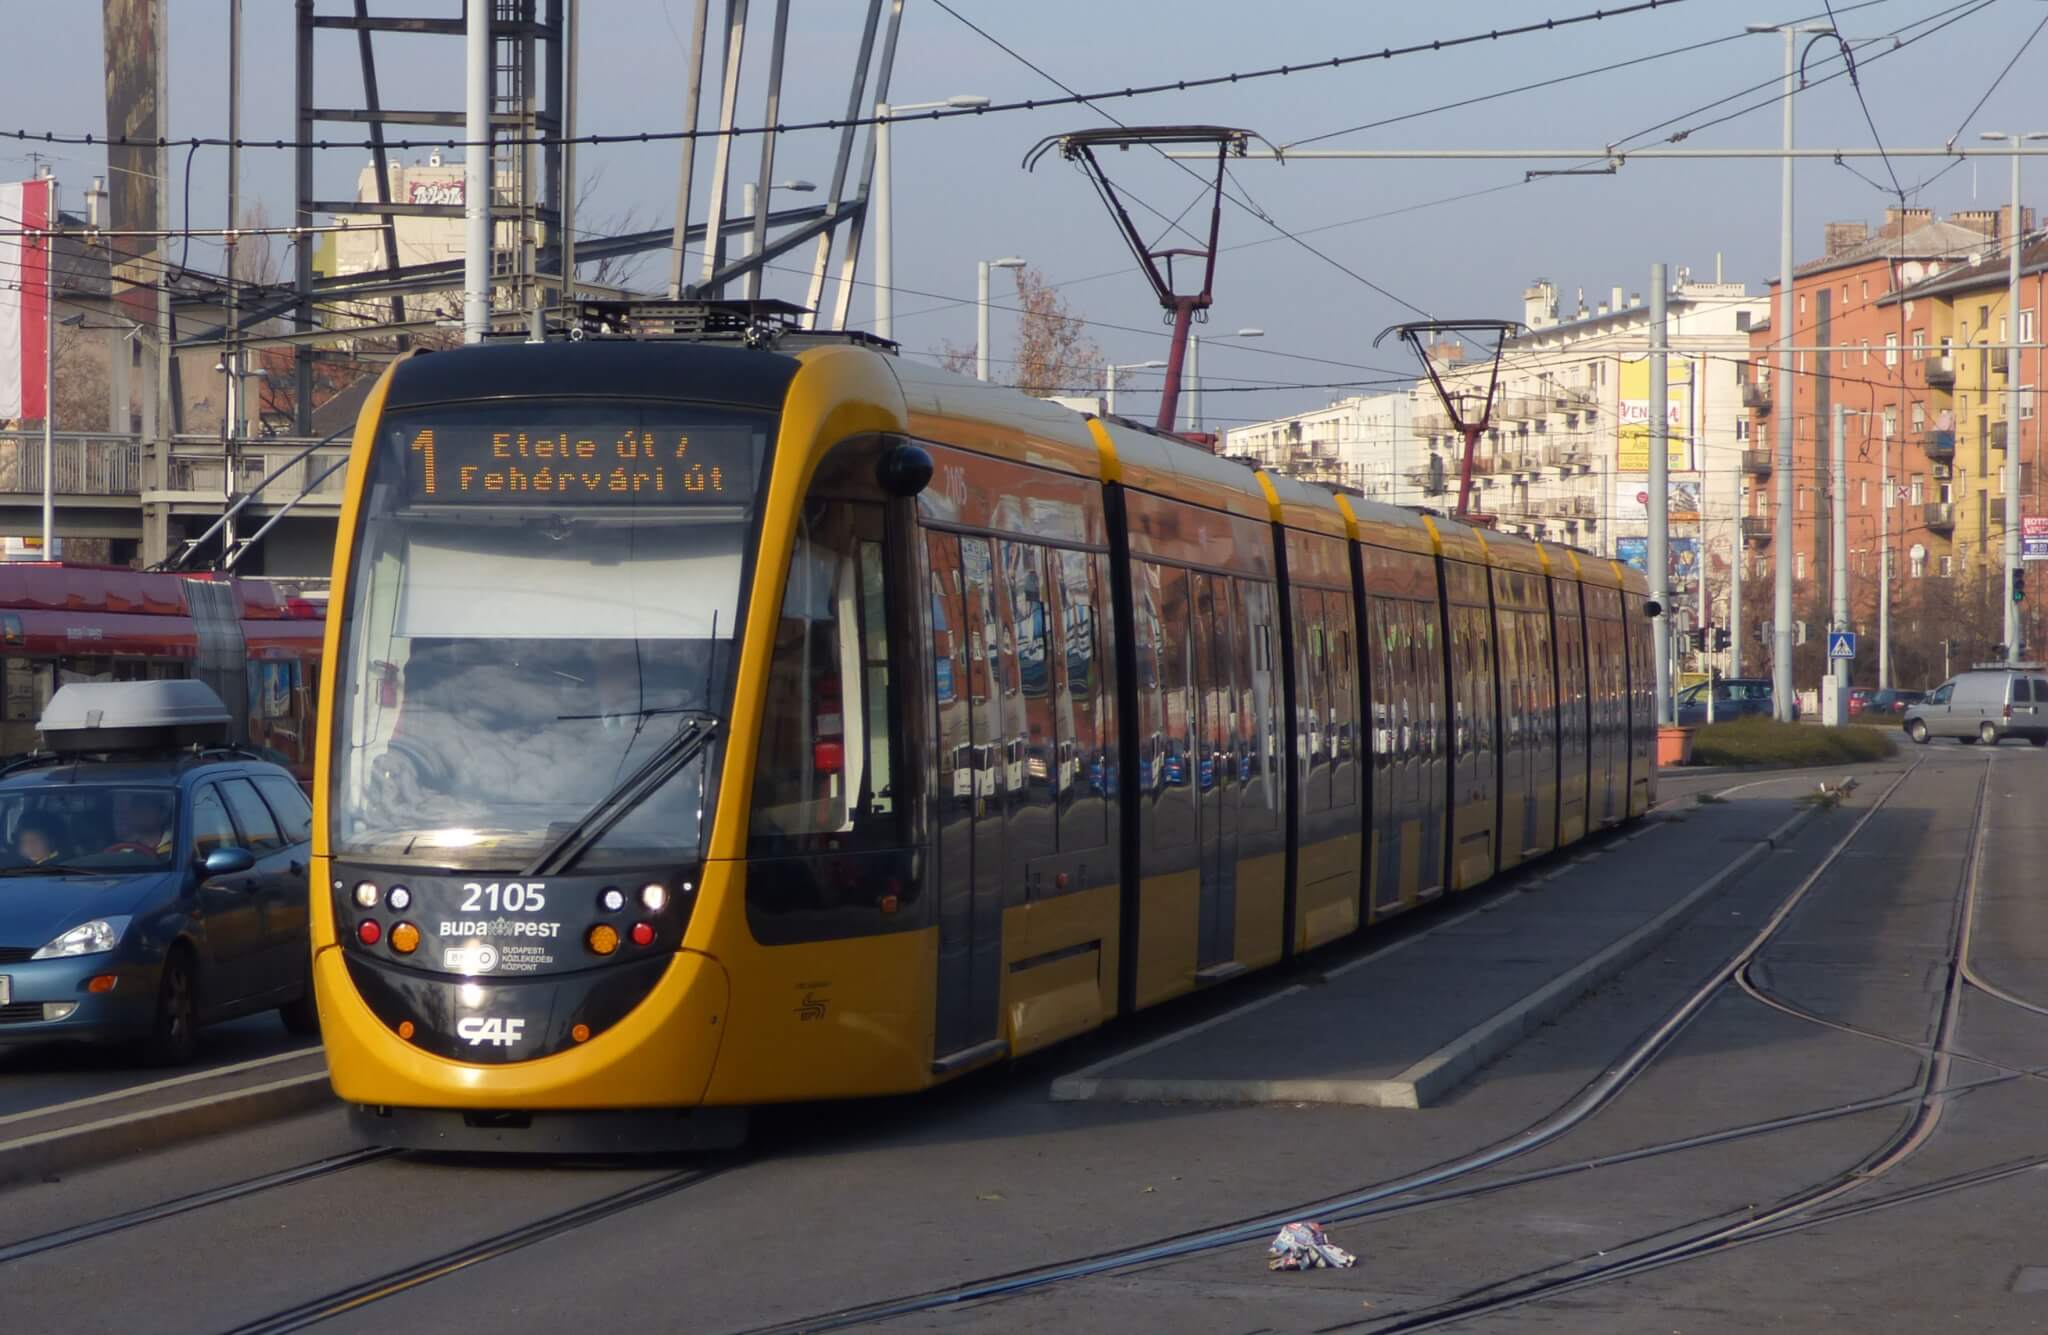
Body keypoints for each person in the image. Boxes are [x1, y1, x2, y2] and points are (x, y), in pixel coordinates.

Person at [106, 791, 173, 856]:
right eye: (135, 808)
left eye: (145, 808)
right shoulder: (125, 853)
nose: (138, 813)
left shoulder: (178, 843)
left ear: (162, 814)